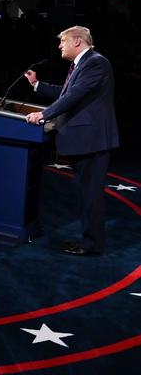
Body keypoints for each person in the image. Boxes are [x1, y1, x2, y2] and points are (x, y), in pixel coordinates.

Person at [25, 25, 119, 256]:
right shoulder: (82, 65)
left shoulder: (96, 63)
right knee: (86, 193)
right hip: (86, 140)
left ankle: (92, 245)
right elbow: (67, 93)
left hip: (92, 140)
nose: (60, 46)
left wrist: (44, 114)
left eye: (63, 41)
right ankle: (89, 242)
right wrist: (37, 85)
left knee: (91, 195)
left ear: (77, 41)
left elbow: (74, 96)